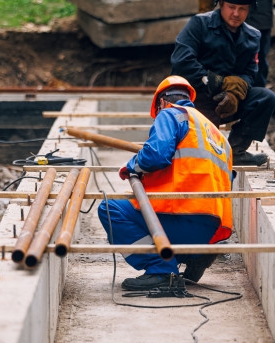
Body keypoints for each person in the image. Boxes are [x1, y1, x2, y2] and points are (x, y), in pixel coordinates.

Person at [97, 76, 233, 291]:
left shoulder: (171, 114)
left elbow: (155, 156)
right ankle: (196, 255)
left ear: (161, 102)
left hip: (181, 215)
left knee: (110, 208)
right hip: (211, 227)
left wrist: (132, 166)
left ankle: (160, 269)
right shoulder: (214, 132)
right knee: (144, 210)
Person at [172, 0, 275, 166]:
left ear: (249, 9)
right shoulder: (199, 25)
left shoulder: (253, 37)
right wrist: (216, 82)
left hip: (225, 102)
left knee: (265, 98)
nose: (236, 13)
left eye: (242, 9)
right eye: (231, 7)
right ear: (221, 3)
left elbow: (250, 73)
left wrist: (235, 93)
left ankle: (235, 152)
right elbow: (181, 61)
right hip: (195, 99)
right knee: (197, 155)